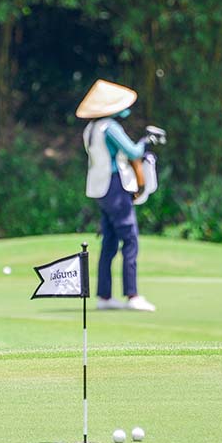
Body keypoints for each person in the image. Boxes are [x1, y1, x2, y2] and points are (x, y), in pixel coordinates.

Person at [76, 80, 157, 312]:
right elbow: (133, 151)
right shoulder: (110, 127)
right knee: (130, 239)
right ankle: (132, 295)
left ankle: (104, 296)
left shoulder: (90, 129)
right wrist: (146, 141)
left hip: (99, 188)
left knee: (110, 241)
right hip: (115, 186)